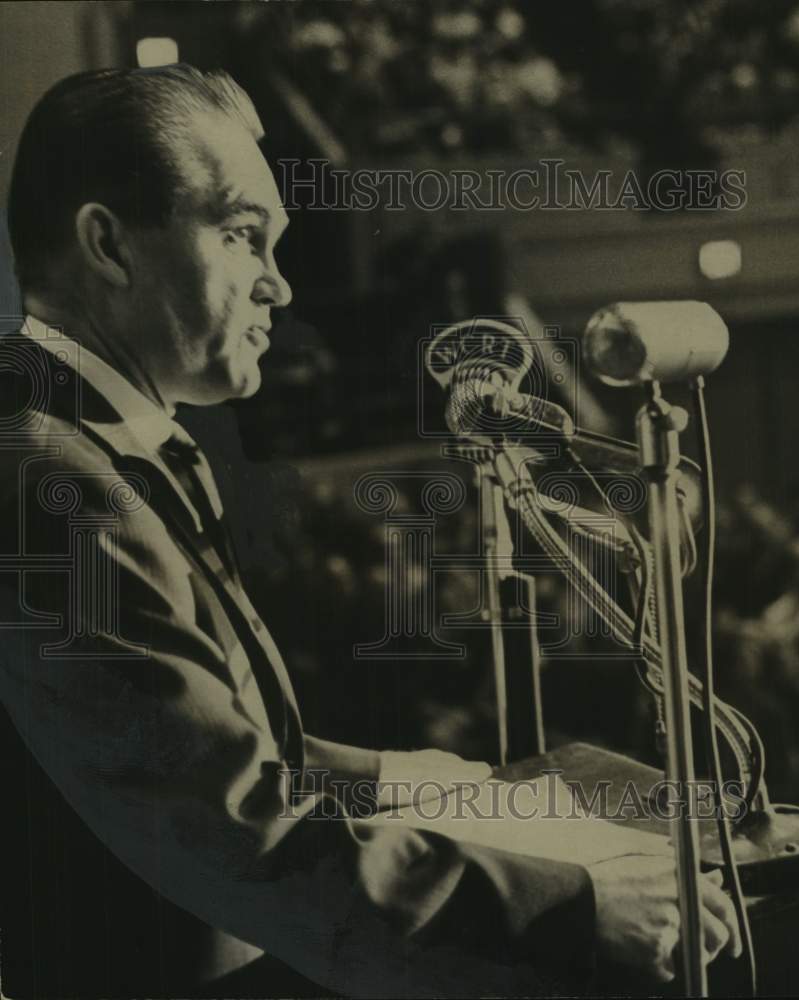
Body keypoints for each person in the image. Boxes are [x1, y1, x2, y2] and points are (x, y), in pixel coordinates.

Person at [0, 65, 740, 997]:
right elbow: (229, 829)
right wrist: (572, 903)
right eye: (240, 236)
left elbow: (213, 746)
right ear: (108, 244)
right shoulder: (50, 483)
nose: (276, 285)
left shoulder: (71, 435)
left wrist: (415, 778)